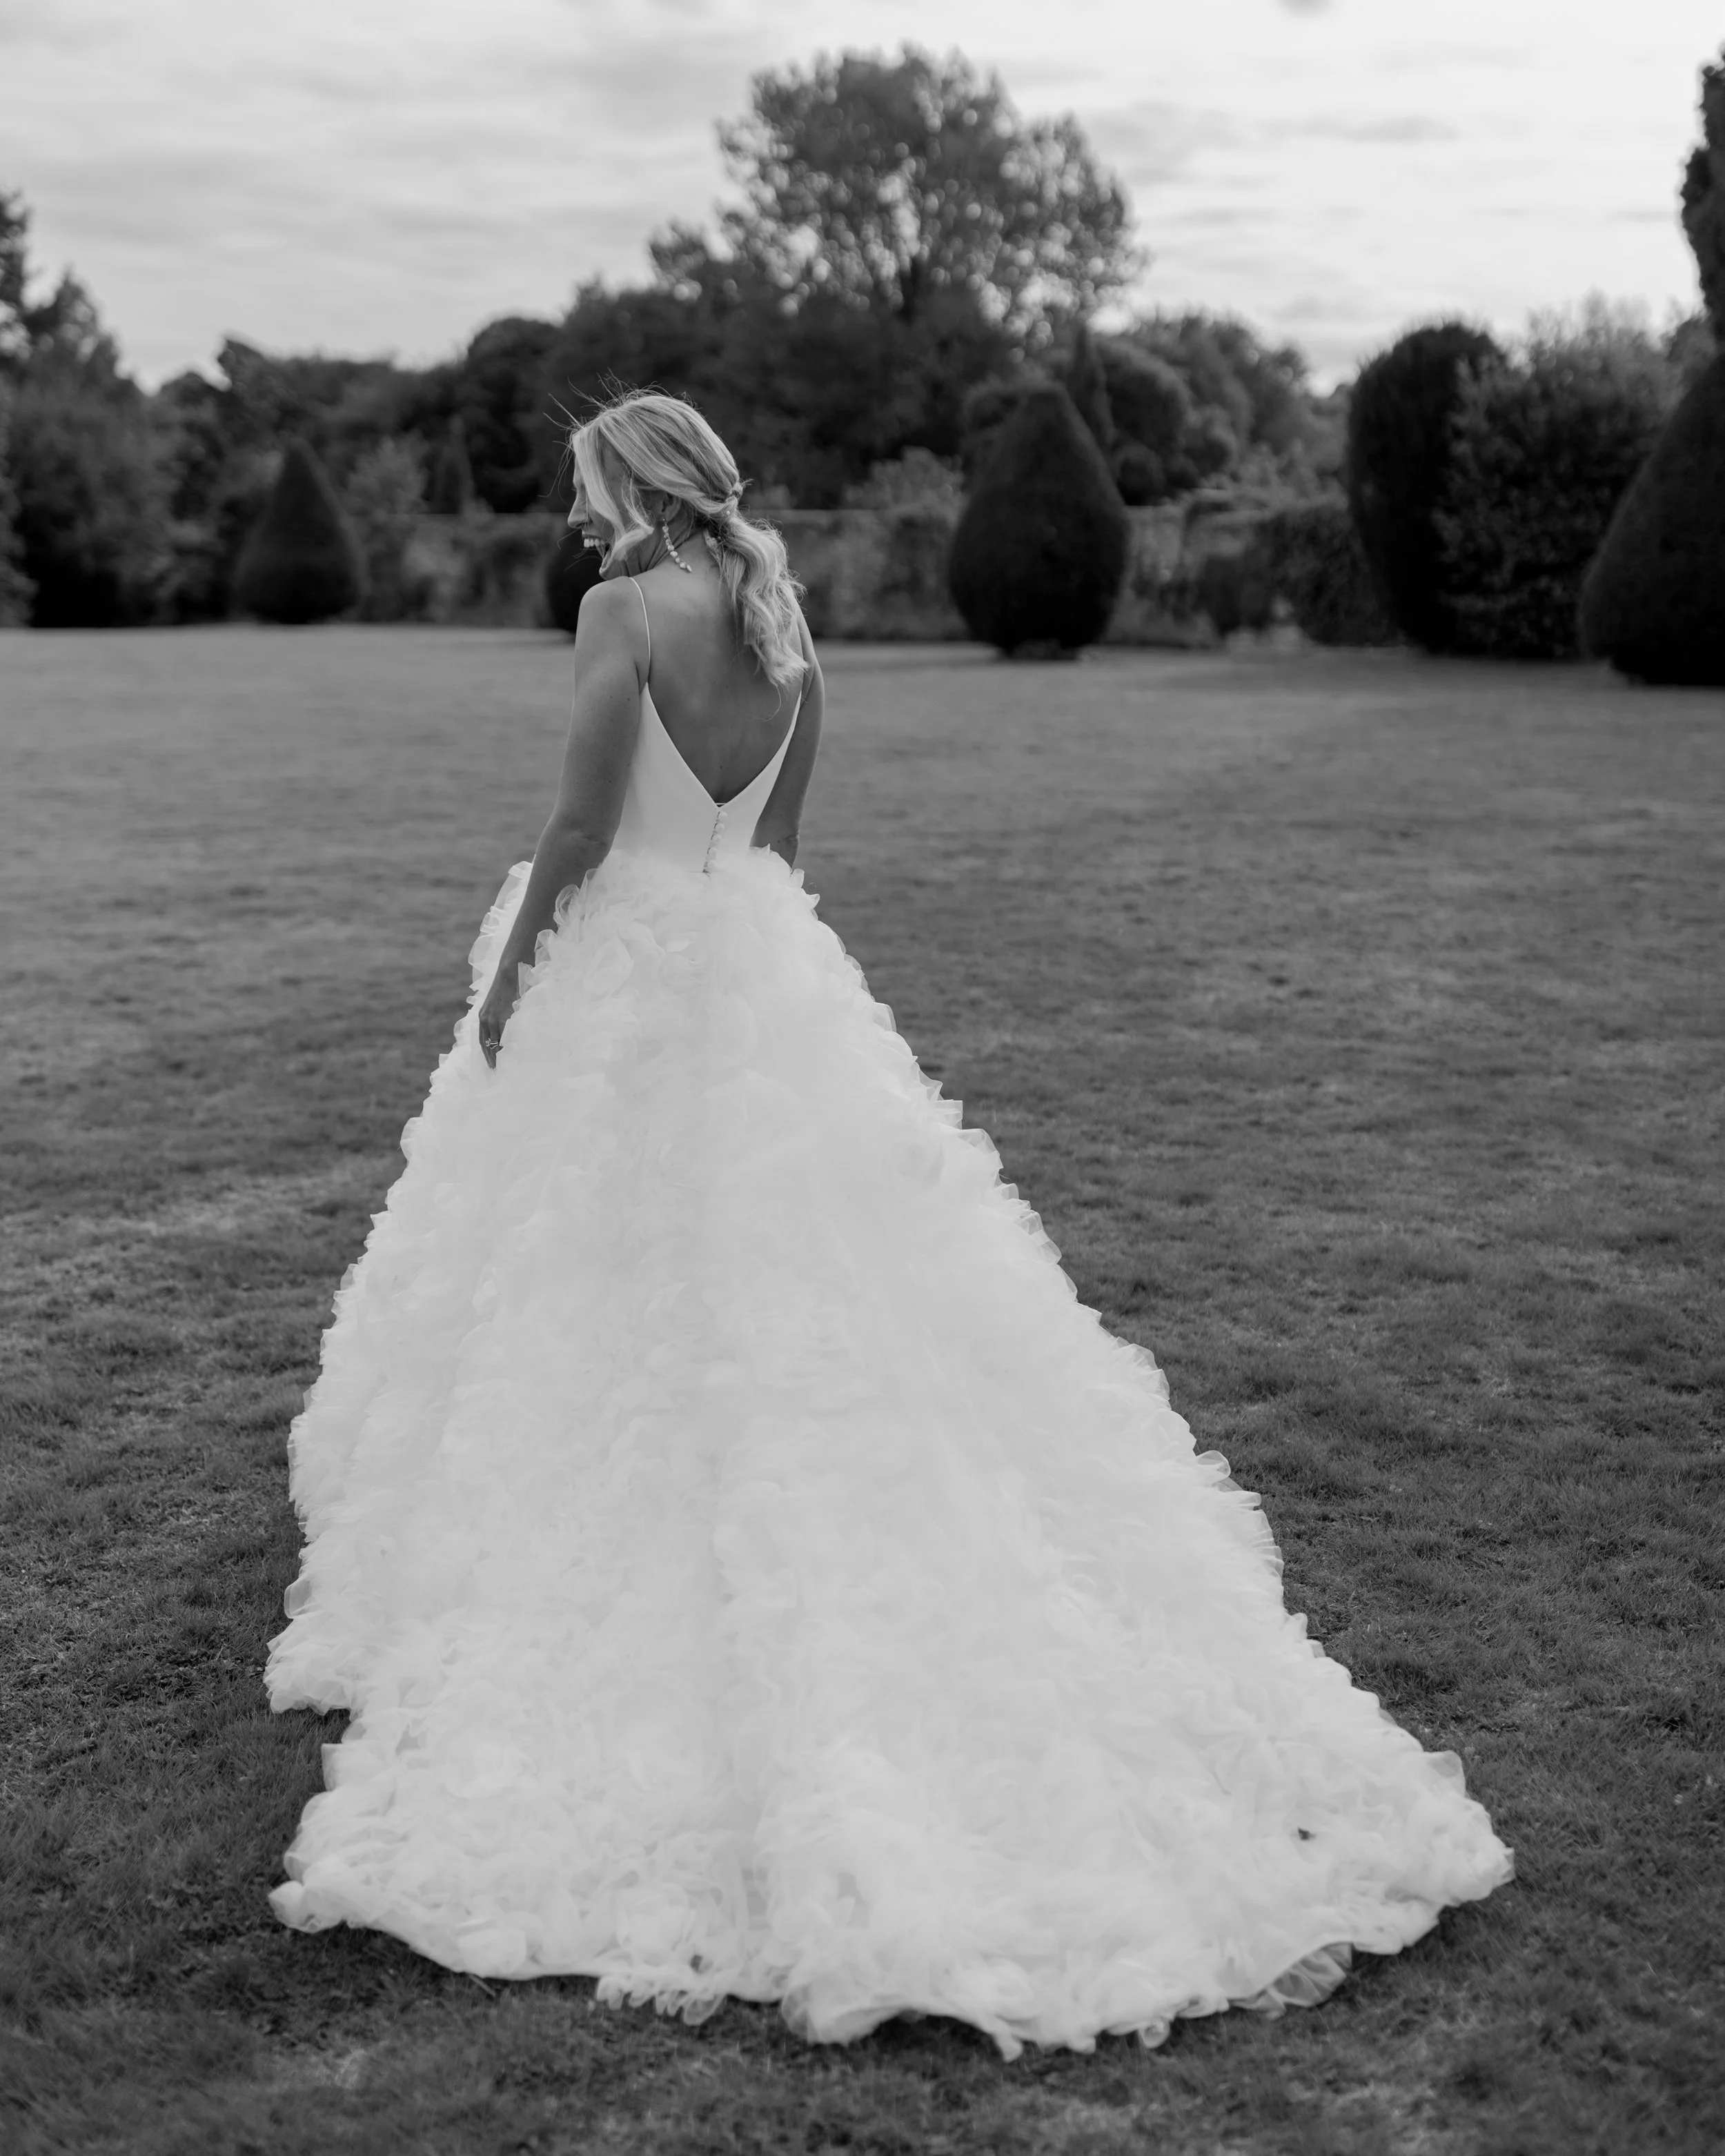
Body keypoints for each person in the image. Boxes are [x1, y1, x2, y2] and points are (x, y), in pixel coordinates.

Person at [266, 390, 1512, 2060]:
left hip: (626, 970)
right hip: (753, 974)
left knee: (590, 1279)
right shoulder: (788, 627)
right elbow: (771, 856)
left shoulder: (621, 608)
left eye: (583, 487)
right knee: (811, 1285)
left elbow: (574, 826)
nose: (574, 516)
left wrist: (506, 988)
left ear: (631, 487)